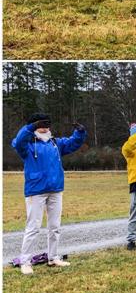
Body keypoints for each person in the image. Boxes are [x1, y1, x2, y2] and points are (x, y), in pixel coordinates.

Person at [11, 113, 86, 275]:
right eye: (41, 124)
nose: (46, 127)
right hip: (35, 191)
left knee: (55, 227)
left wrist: (79, 133)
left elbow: (72, 143)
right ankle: (25, 261)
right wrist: (31, 127)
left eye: (47, 124)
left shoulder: (55, 143)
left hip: (56, 189)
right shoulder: (27, 145)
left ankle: (53, 257)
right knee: (33, 227)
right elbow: (18, 143)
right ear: (34, 126)